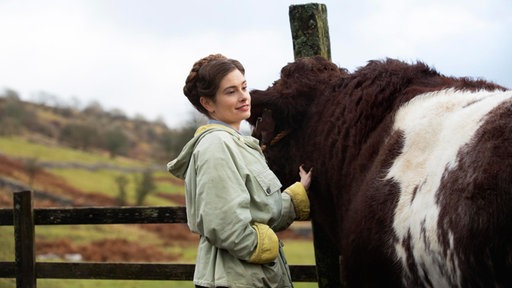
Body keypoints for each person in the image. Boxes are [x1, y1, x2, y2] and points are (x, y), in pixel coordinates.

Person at [167, 54, 312, 288]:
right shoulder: (216, 146)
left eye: (244, 87)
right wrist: (262, 246)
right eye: (230, 91)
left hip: (252, 278)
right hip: (234, 280)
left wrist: (296, 195)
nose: (244, 96)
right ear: (208, 103)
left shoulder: (236, 143)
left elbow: (260, 211)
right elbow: (224, 224)